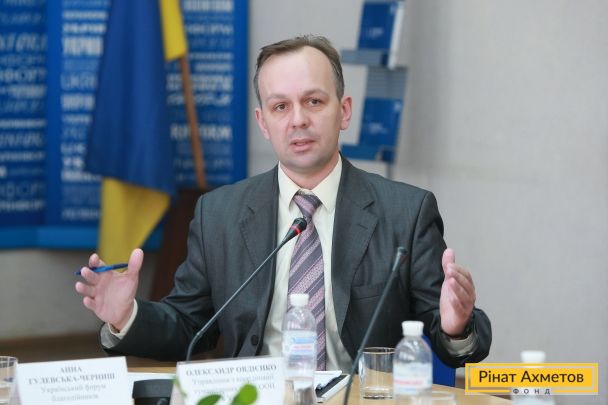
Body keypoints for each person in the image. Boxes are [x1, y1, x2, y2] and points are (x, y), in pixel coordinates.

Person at [75, 35, 491, 371]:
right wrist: (126, 316)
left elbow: (451, 334)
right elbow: (188, 326)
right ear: (263, 122)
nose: (298, 120)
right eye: (280, 106)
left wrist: (456, 327)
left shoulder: (406, 213)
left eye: (314, 101)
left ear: (344, 111)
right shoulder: (218, 214)